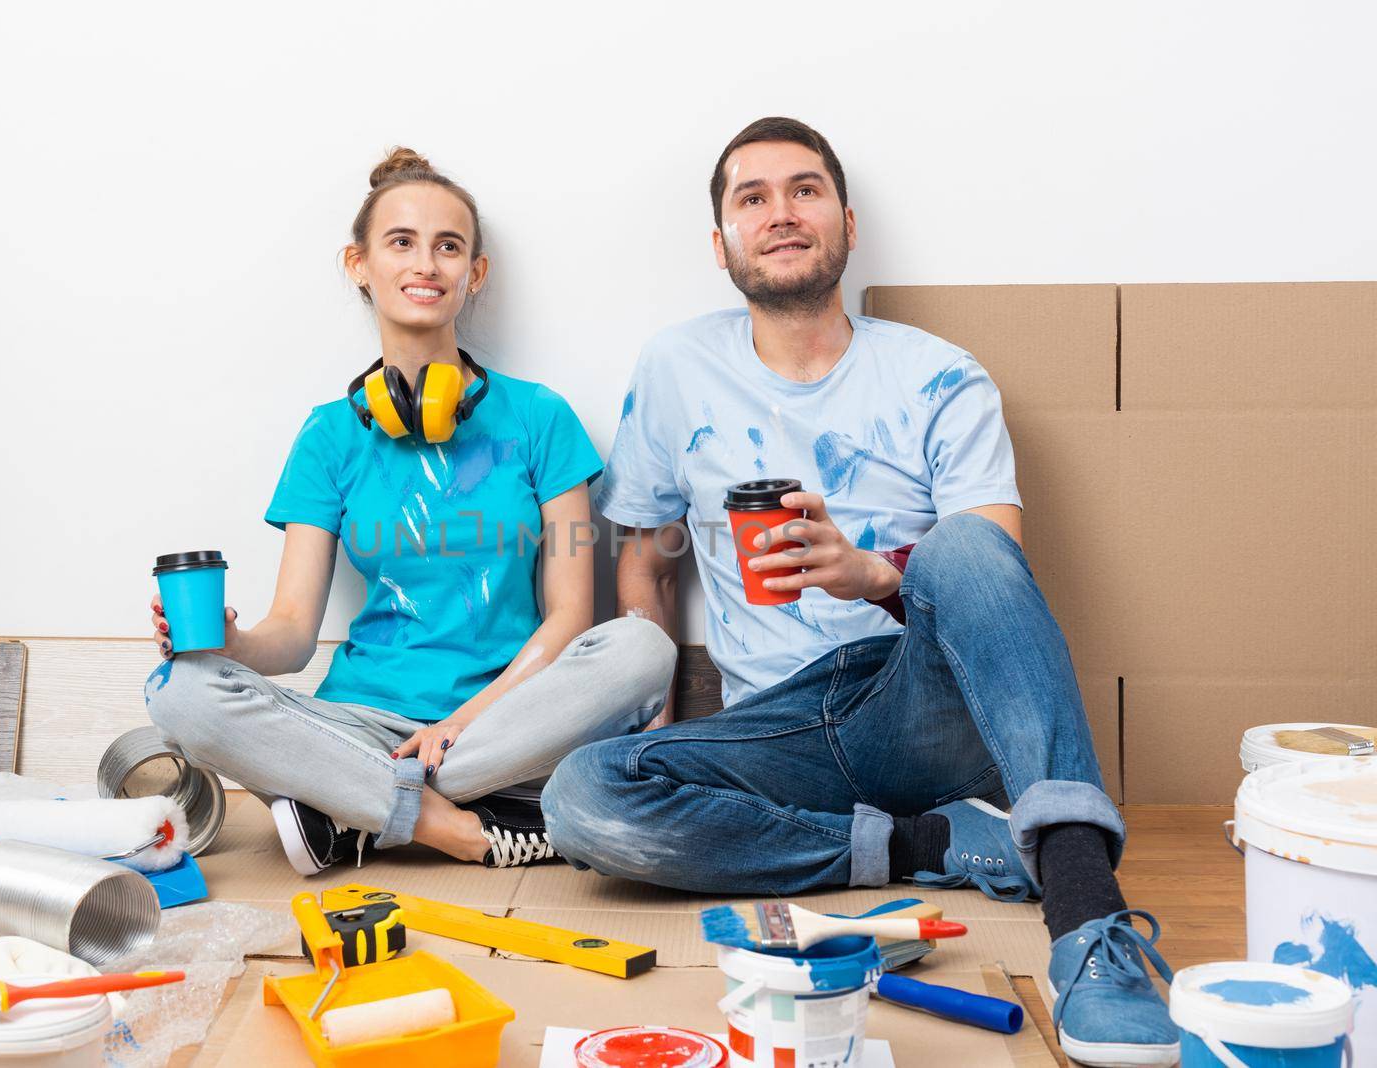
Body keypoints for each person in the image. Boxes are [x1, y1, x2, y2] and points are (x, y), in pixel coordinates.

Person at [541, 118, 1179, 1066]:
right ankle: (928, 844)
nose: (780, 213)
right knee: (583, 794)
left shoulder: (937, 374)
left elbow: (991, 578)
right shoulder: (677, 369)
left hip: (913, 699)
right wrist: (661, 721)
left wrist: (876, 578)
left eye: (803, 191)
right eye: (750, 199)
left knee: (960, 545)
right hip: (777, 729)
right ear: (721, 244)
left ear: (846, 220)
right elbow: (645, 557)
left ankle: (1089, 918)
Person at [144, 147, 676, 874]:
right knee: (179, 692)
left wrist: (460, 726)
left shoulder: (540, 418)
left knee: (644, 650)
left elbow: (569, 618)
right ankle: (441, 822)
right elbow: (295, 635)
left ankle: (350, 810)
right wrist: (229, 643)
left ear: (474, 273)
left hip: (504, 725)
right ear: (359, 263)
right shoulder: (328, 436)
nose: (425, 263)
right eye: (401, 242)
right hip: (358, 724)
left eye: (447, 246)